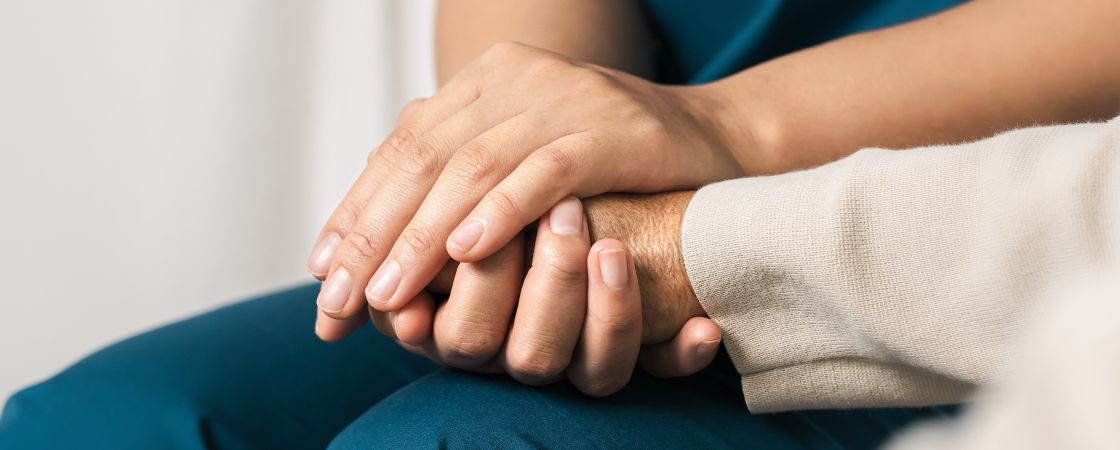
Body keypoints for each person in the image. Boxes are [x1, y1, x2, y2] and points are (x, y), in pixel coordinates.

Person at [3, 1, 1119, 449]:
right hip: (627, 190)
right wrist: (518, 192)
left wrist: (722, 128)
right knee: (98, 428)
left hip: (972, 242)